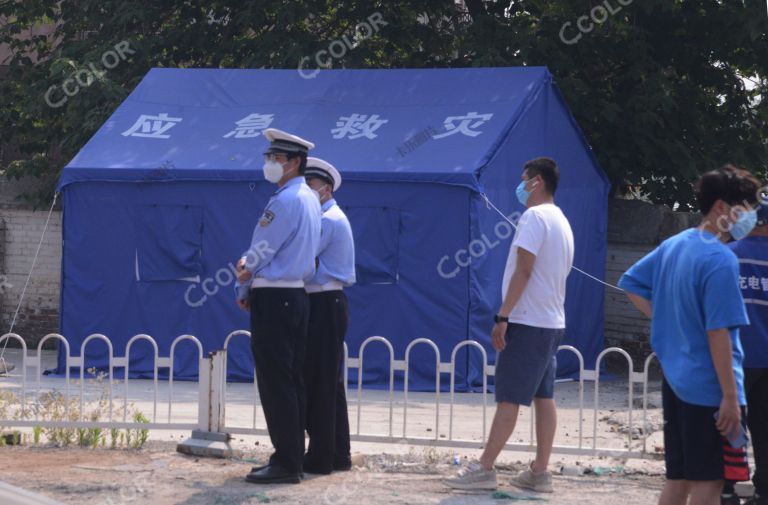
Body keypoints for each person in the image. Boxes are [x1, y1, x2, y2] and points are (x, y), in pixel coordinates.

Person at [619, 165, 761, 505]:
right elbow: (718, 334)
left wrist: (665, 318)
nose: (751, 216)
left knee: (678, 479)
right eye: (746, 207)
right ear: (721, 208)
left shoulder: (675, 245)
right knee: (709, 485)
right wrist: (730, 396)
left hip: (675, 380)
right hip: (709, 389)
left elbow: (631, 283)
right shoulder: (720, 259)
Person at [443, 157, 574, 492]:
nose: (520, 186)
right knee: (544, 397)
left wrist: (503, 315)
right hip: (551, 320)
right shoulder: (561, 220)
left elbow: (524, 271)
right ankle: (540, 471)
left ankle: (484, 467)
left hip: (528, 321)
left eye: (523, 179)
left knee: (509, 398)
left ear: (537, 182)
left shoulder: (534, 217)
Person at [235, 128, 321, 484]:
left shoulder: (285, 201)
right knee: (292, 380)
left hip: (275, 296)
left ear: (294, 163)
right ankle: (291, 456)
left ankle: (286, 461)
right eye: (268, 158)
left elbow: (260, 250)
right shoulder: (310, 198)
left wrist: (242, 275)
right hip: (296, 295)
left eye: (276, 159)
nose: (270, 164)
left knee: (276, 382)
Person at [301, 157, 356, 475]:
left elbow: (303, 259)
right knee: (329, 385)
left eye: (309, 186)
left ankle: (320, 456)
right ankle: (338, 454)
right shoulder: (328, 215)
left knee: (319, 384)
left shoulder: (327, 220)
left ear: (325, 188)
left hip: (323, 304)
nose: (306, 192)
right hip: (326, 303)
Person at [722, 201, 768, 505]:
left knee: (729, 425)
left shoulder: (728, 255)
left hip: (732, 358)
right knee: (765, 428)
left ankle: (726, 488)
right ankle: (764, 490)